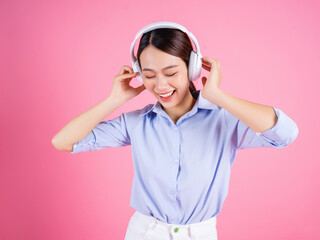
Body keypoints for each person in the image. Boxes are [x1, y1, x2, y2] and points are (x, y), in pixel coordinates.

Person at [52, 21, 299, 240]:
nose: (160, 85)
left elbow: (285, 134)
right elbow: (63, 141)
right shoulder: (137, 122)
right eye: (149, 76)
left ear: (192, 68)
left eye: (171, 73)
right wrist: (114, 100)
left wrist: (218, 96)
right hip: (144, 233)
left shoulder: (224, 120)